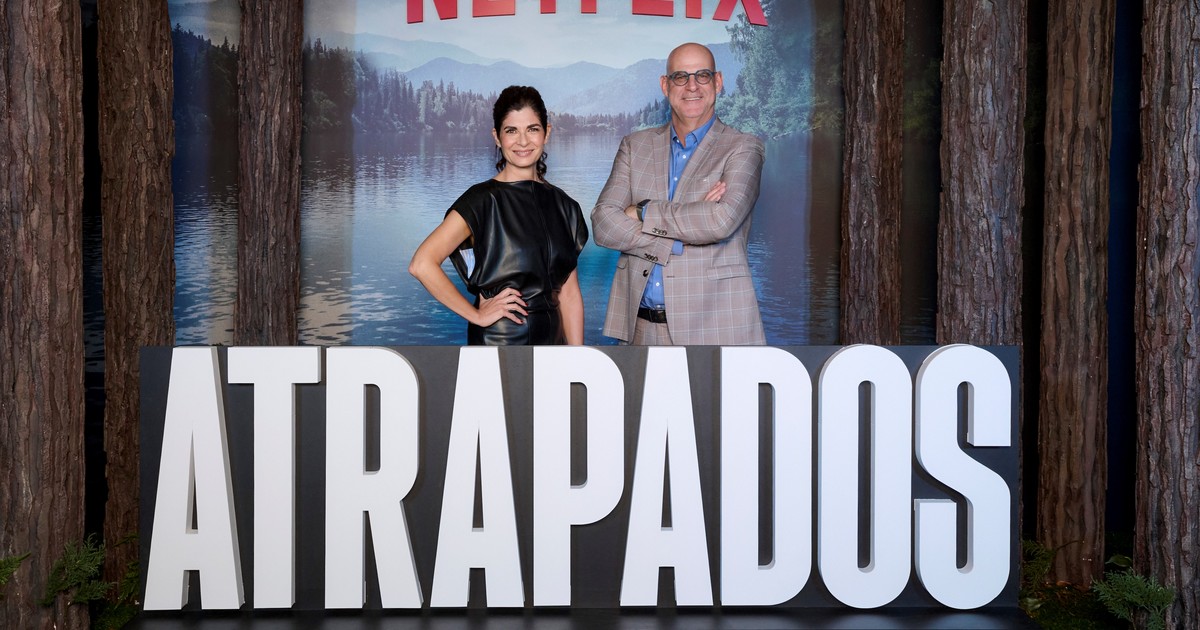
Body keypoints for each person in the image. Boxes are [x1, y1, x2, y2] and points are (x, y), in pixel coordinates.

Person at [591, 42, 766, 345]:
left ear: (718, 82)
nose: (692, 86)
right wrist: (675, 239)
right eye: (681, 77)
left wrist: (643, 211)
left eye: (703, 75)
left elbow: (720, 221)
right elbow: (603, 224)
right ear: (665, 85)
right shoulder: (635, 146)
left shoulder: (744, 147)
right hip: (638, 329)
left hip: (716, 328)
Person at [409, 85, 588, 345]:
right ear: (497, 137)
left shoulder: (566, 206)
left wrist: (578, 358)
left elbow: (569, 294)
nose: (523, 141)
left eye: (532, 129)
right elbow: (422, 264)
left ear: (547, 133)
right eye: (511, 130)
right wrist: (476, 315)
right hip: (499, 343)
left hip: (553, 347)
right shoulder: (481, 200)